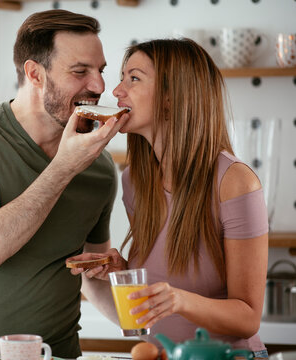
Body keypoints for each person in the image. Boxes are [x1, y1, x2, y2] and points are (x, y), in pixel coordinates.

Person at [0, 9, 130, 357]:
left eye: (100, 71)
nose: (98, 86)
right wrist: (64, 167)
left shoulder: (99, 168)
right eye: (80, 71)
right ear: (34, 73)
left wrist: (154, 320)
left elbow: (91, 279)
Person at [67, 38, 269, 358]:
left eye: (133, 78)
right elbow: (153, 303)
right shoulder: (135, 181)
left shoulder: (234, 182)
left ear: (171, 97)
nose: (117, 91)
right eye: (122, 78)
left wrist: (181, 300)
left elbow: (247, 318)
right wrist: (121, 273)